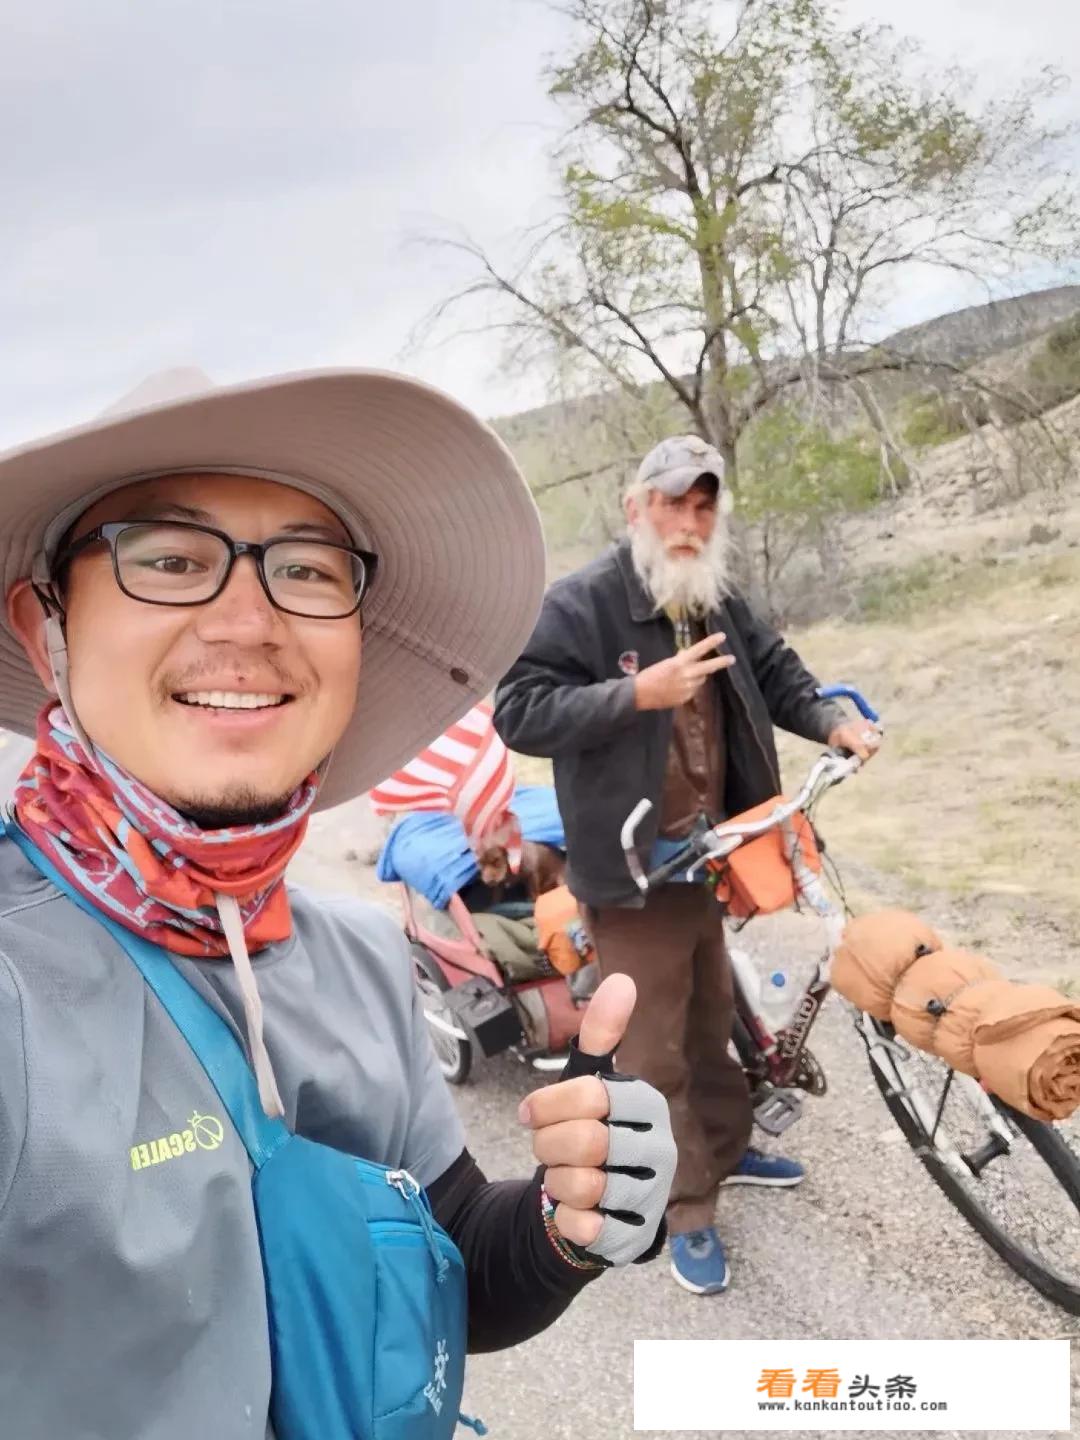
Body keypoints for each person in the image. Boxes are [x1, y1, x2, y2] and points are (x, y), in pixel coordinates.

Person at [0, 367, 676, 1438]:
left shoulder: (361, 952)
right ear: (47, 629)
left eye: (306, 571)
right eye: (170, 558)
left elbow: (444, 1253)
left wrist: (561, 1223)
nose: (248, 619)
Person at [493, 434, 881, 1297]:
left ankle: (730, 1149)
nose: (688, 520)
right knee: (653, 1050)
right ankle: (687, 1208)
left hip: (710, 854)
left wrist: (829, 721)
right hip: (632, 873)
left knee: (712, 1020)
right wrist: (637, 693)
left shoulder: (714, 597)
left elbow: (777, 673)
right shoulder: (584, 603)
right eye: (672, 502)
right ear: (637, 509)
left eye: (704, 505)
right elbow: (518, 711)